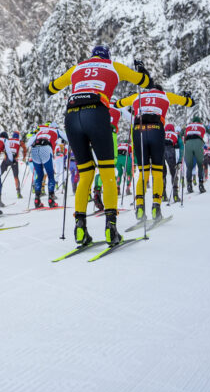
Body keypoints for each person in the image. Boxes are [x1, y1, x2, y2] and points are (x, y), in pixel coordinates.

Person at [44, 45, 150, 245]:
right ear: (106, 57)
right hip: (97, 114)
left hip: (72, 117)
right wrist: (141, 69)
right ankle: (111, 228)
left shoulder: (77, 68)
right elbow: (144, 82)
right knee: (108, 172)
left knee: (85, 174)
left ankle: (80, 229)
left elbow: (50, 88)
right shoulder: (113, 66)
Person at [115, 84, 195, 222]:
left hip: (138, 132)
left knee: (143, 173)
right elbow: (189, 103)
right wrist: (188, 97)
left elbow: (118, 104)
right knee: (157, 172)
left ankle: (139, 207)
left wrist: (130, 97)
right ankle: (156, 207)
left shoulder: (138, 96)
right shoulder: (165, 95)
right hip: (156, 130)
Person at [182, 116, 206, 194]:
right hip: (198, 143)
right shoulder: (202, 125)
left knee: (189, 166)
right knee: (200, 165)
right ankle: (201, 185)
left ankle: (189, 184)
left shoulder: (188, 126)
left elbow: (181, 134)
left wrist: (183, 129)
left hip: (188, 144)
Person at [0, 132, 22, 200]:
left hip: (6, 159)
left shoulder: (8, 140)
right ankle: (18, 192)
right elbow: (24, 148)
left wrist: (5, 156)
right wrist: (23, 156)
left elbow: (4, 149)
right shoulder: (19, 141)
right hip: (14, 159)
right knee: (16, 177)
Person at [163, 122, 183, 202]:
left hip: (161, 151)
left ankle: (163, 195)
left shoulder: (162, 133)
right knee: (174, 173)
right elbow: (181, 147)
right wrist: (180, 160)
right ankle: (175, 195)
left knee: (162, 174)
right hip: (171, 151)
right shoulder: (176, 134)